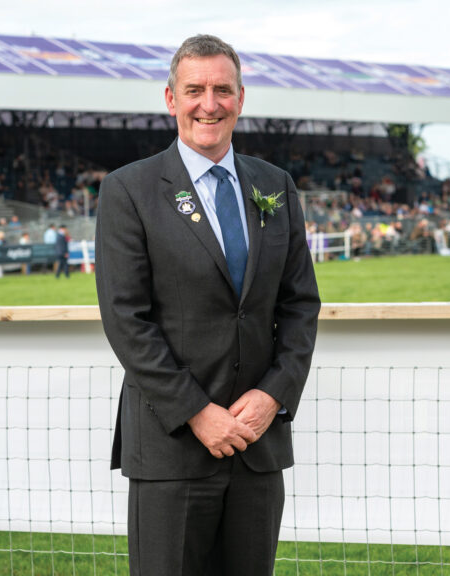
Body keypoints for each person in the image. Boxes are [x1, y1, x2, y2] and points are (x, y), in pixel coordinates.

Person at [95, 34, 319, 576]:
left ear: (241, 97)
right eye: (194, 90)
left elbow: (300, 306)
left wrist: (272, 395)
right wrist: (198, 412)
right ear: (171, 99)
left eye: (222, 89)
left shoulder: (276, 186)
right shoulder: (129, 190)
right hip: (172, 447)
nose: (209, 104)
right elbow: (126, 320)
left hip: (256, 443)